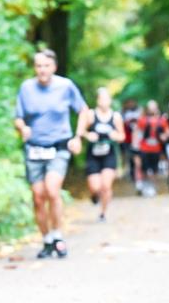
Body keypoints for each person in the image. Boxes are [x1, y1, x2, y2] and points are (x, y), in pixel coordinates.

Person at [14, 49, 89, 259]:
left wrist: (78, 137)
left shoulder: (65, 86)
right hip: (34, 148)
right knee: (38, 197)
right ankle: (47, 240)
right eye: (38, 66)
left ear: (53, 67)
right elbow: (18, 117)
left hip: (59, 147)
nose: (42, 70)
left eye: (46, 66)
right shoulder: (26, 88)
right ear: (35, 68)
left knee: (52, 190)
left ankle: (58, 236)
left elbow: (84, 110)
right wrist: (22, 128)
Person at [79, 87, 125, 221]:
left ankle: (103, 213)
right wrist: (89, 135)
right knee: (95, 187)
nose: (104, 102)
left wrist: (115, 135)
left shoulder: (115, 116)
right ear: (98, 100)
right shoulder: (91, 115)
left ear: (110, 101)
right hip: (93, 155)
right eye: (101, 99)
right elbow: (82, 131)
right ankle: (94, 195)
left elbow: (122, 136)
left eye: (106, 99)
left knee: (106, 185)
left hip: (109, 154)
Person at [135, 100, 168, 197]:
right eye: (151, 107)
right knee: (145, 168)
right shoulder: (142, 120)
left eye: (154, 107)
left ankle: (153, 186)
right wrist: (136, 146)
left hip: (156, 149)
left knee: (155, 169)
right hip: (144, 148)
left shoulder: (162, 120)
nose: (152, 109)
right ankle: (146, 185)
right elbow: (137, 132)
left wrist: (164, 136)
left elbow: (167, 131)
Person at [120, 98, 142, 183]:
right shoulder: (122, 112)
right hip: (127, 139)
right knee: (130, 157)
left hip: (137, 140)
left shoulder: (139, 111)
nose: (130, 104)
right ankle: (132, 174)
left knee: (137, 158)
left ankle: (138, 175)